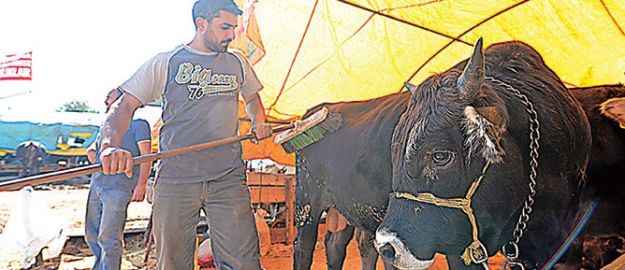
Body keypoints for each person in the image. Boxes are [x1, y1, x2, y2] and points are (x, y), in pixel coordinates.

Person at [97, 0, 273, 269]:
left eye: (234, 28)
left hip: (227, 177)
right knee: (173, 263)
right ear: (201, 24)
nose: (231, 35)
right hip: (176, 178)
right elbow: (124, 105)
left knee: (244, 263)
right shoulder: (167, 62)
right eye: (225, 27)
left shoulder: (238, 62)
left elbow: (252, 98)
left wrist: (258, 121)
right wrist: (109, 146)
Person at [85, 88, 152, 270]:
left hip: (118, 187)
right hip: (97, 183)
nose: (106, 100)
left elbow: (147, 156)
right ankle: (100, 266)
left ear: (123, 101)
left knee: (109, 237)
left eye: (110, 97)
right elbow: (92, 151)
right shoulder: (106, 127)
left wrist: (141, 185)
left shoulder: (139, 125)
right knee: (92, 234)